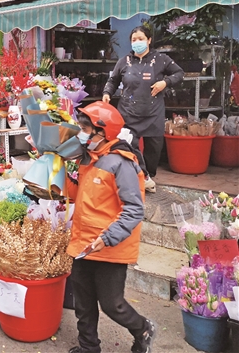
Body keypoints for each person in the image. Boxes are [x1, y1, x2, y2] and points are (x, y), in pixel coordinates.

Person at [66, 101, 155, 353]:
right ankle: (88, 347)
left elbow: (134, 209)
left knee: (111, 304)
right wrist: (55, 176)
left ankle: (143, 328)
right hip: (84, 243)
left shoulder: (121, 163)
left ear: (103, 133)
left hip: (109, 246)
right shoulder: (90, 159)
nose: (80, 133)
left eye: (85, 128)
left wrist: (108, 237)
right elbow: (81, 195)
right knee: (82, 302)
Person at [103, 25, 184, 193]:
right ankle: (143, 177)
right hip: (128, 112)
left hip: (153, 112)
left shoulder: (161, 59)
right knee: (130, 144)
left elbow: (179, 73)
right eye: (134, 40)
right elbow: (113, 80)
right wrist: (106, 93)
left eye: (140, 39)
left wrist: (165, 83)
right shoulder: (124, 61)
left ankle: (149, 175)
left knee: (154, 149)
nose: (137, 42)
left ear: (149, 40)